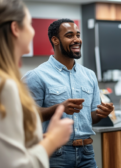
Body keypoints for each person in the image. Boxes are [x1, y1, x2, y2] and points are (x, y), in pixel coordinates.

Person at [23, 18, 114, 168]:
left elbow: (91, 117)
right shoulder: (37, 76)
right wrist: (59, 109)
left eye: (78, 35)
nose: (77, 39)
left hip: (87, 153)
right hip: (55, 153)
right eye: (70, 35)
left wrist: (101, 113)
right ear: (55, 40)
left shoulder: (89, 75)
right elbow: (27, 117)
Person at [0, 0, 73, 167]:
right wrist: (53, 140)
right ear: (15, 29)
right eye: (29, 24)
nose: (33, 32)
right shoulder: (6, 86)